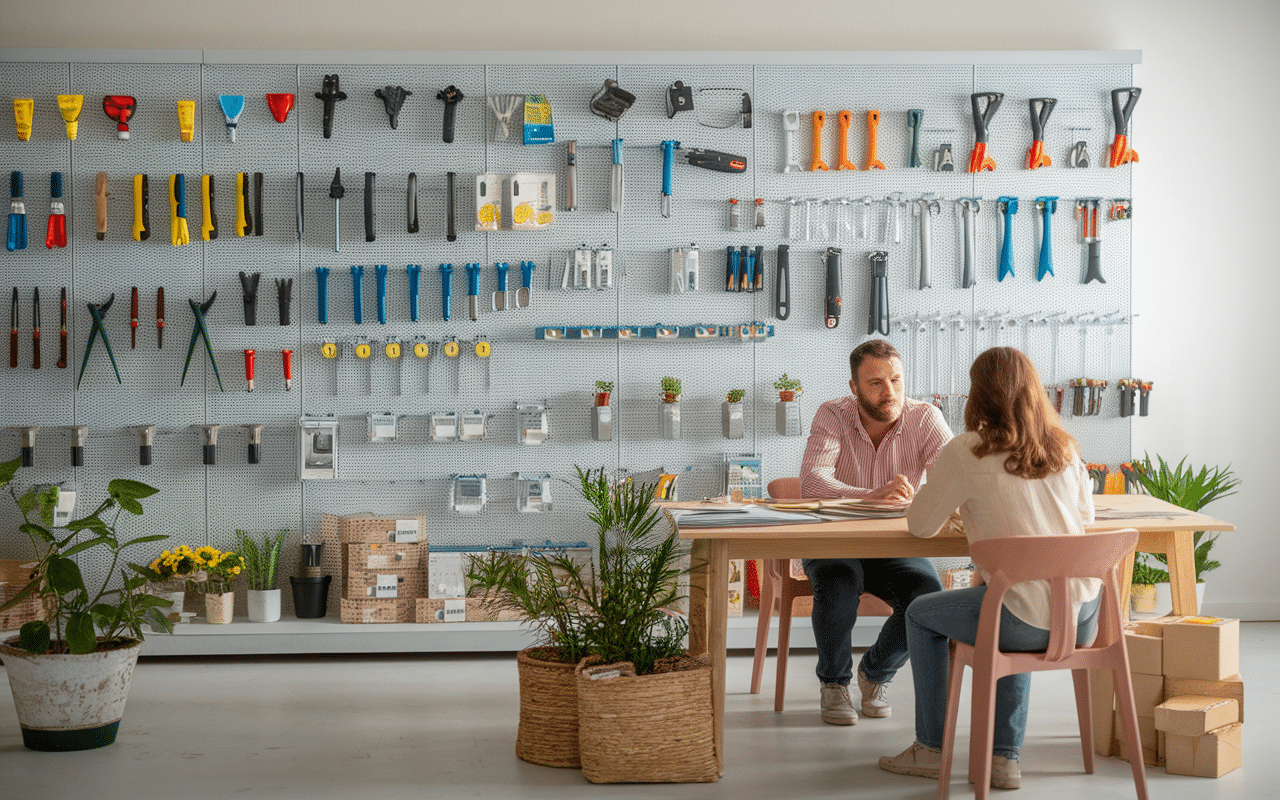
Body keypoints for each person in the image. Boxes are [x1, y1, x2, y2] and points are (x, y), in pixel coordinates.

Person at [879, 347, 1099, 791]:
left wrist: (964, 509)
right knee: (1013, 594)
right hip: (1082, 617)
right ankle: (1004, 760)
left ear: (978, 394)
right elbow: (1085, 519)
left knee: (921, 613)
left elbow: (921, 525)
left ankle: (931, 748)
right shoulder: (1064, 447)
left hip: (1022, 620)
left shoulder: (966, 451)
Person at [798, 339, 952, 725]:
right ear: (854, 387)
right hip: (834, 538)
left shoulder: (926, 418)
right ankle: (834, 683)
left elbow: (952, 480)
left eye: (896, 380)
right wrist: (871, 496)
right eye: (876, 383)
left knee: (927, 597)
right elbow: (812, 483)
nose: (890, 392)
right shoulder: (832, 414)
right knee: (838, 586)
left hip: (896, 543)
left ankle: (875, 673)